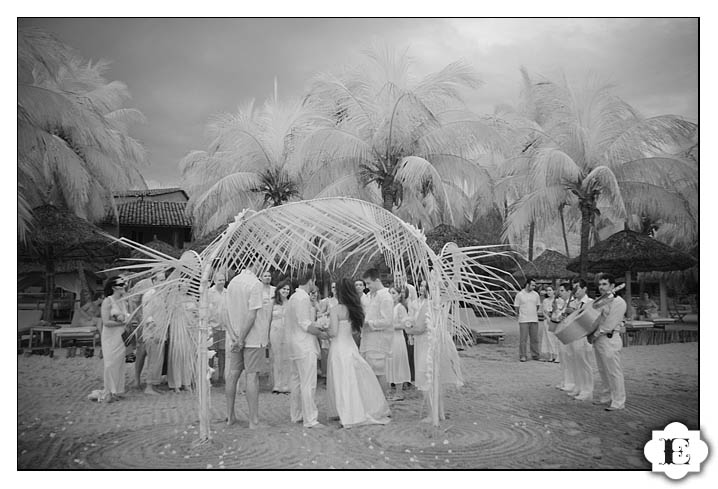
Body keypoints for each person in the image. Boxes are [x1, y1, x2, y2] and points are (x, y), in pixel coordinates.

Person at [326, 278, 391, 428]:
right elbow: (355, 330)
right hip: (350, 346)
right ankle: (353, 409)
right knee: (351, 379)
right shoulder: (354, 309)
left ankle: (347, 413)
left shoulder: (336, 309)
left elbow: (334, 332)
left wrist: (323, 330)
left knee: (341, 380)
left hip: (338, 348)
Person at [286, 268, 327, 428]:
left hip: (294, 344)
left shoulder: (293, 297)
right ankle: (310, 419)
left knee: (296, 381)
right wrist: (321, 333)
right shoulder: (302, 298)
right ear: (310, 280)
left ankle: (296, 414)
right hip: (303, 345)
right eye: (314, 281)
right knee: (308, 382)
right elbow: (305, 324)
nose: (314, 284)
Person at [225, 261, 265, 428]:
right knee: (252, 376)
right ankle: (253, 420)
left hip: (235, 336)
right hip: (252, 338)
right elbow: (252, 315)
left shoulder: (233, 282)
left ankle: (230, 416)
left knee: (233, 374)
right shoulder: (255, 284)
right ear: (256, 264)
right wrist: (241, 338)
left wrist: (234, 335)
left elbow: (225, 311)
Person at [589, 273, 627, 411]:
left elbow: (609, 323)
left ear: (612, 285)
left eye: (604, 284)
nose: (601, 287)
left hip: (610, 338)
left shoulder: (619, 302)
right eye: (599, 284)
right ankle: (606, 397)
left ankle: (618, 401)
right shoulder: (601, 301)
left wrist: (596, 334)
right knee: (603, 370)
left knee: (614, 371)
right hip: (598, 339)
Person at [360, 268, 394, 397]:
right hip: (368, 339)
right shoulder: (370, 296)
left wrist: (370, 324)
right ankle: (375, 401)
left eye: (369, 283)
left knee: (379, 371)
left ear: (377, 280)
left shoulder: (385, 296)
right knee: (371, 372)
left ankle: (383, 401)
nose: (367, 287)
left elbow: (387, 320)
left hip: (379, 340)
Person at [100, 276, 130, 402]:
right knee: (110, 363)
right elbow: (106, 322)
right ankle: (108, 391)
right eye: (121, 284)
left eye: (124, 284)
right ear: (113, 287)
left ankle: (117, 390)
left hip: (121, 335)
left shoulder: (124, 301)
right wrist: (121, 323)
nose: (124, 286)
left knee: (119, 363)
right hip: (110, 336)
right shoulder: (108, 301)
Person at [564, 279, 594, 401]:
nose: (575, 291)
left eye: (578, 288)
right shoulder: (573, 302)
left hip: (584, 336)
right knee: (575, 362)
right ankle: (578, 386)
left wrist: (575, 312)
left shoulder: (590, 302)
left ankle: (588, 389)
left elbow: (589, 319)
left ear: (584, 288)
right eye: (574, 288)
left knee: (585, 364)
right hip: (573, 335)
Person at [141, 271, 166, 395]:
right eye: (161, 280)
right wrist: (154, 332)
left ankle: (155, 384)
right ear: (154, 281)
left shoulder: (161, 295)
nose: (163, 282)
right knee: (153, 360)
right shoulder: (149, 295)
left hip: (161, 333)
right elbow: (148, 316)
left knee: (158, 361)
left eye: (164, 279)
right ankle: (149, 386)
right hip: (153, 334)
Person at [387, 285, 412, 401]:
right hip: (387, 339)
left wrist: (391, 326)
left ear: (398, 295)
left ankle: (399, 392)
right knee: (388, 363)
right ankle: (387, 390)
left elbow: (404, 324)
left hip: (397, 338)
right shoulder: (387, 307)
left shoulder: (400, 308)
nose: (391, 295)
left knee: (398, 363)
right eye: (390, 293)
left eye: (393, 293)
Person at [393, 272, 417, 389]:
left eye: (399, 275)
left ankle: (408, 378)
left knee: (408, 352)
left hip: (406, 320)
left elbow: (414, 303)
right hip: (397, 324)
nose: (398, 277)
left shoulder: (410, 288)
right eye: (396, 275)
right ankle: (395, 379)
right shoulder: (394, 289)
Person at [269, 280, 292, 394]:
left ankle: (286, 384)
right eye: (284, 289)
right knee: (276, 357)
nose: (286, 291)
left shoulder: (290, 302)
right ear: (279, 289)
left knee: (286, 358)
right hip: (275, 330)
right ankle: (277, 384)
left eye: (288, 289)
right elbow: (268, 319)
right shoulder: (272, 302)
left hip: (287, 331)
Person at [552, 282, 574, 391]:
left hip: (568, 333)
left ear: (569, 292)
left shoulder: (572, 303)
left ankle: (570, 382)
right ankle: (565, 380)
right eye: (559, 291)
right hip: (561, 331)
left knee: (568, 358)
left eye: (562, 291)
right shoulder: (564, 303)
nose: (560, 293)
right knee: (563, 358)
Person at [207, 272, 228, 384]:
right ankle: (210, 377)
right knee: (211, 353)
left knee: (223, 353)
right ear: (214, 281)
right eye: (219, 280)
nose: (221, 282)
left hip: (224, 328)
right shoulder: (209, 293)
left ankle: (221, 376)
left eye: (223, 280)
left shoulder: (227, 293)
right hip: (212, 327)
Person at [514, 278, 541, 362]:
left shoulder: (536, 294)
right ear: (527, 284)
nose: (533, 287)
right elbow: (516, 307)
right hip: (523, 319)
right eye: (532, 285)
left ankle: (535, 354)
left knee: (534, 338)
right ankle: (523, 355)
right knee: (523, 339)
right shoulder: (520, 295)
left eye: (534, 285)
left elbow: (537, 306)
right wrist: (521, 314)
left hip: (534, 319)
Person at [539, 286, 559, 362]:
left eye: (550, 290)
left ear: (554, 291)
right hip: (547, 321)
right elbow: (543, 311)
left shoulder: (557, 300)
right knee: (548, 338)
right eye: (547, 290)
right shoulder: (545, 301)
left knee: (554, 338)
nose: (548, 292)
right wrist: (547, 318)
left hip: (555, 321)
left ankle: (556, 355)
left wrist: (553, 318)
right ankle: (550, 355)